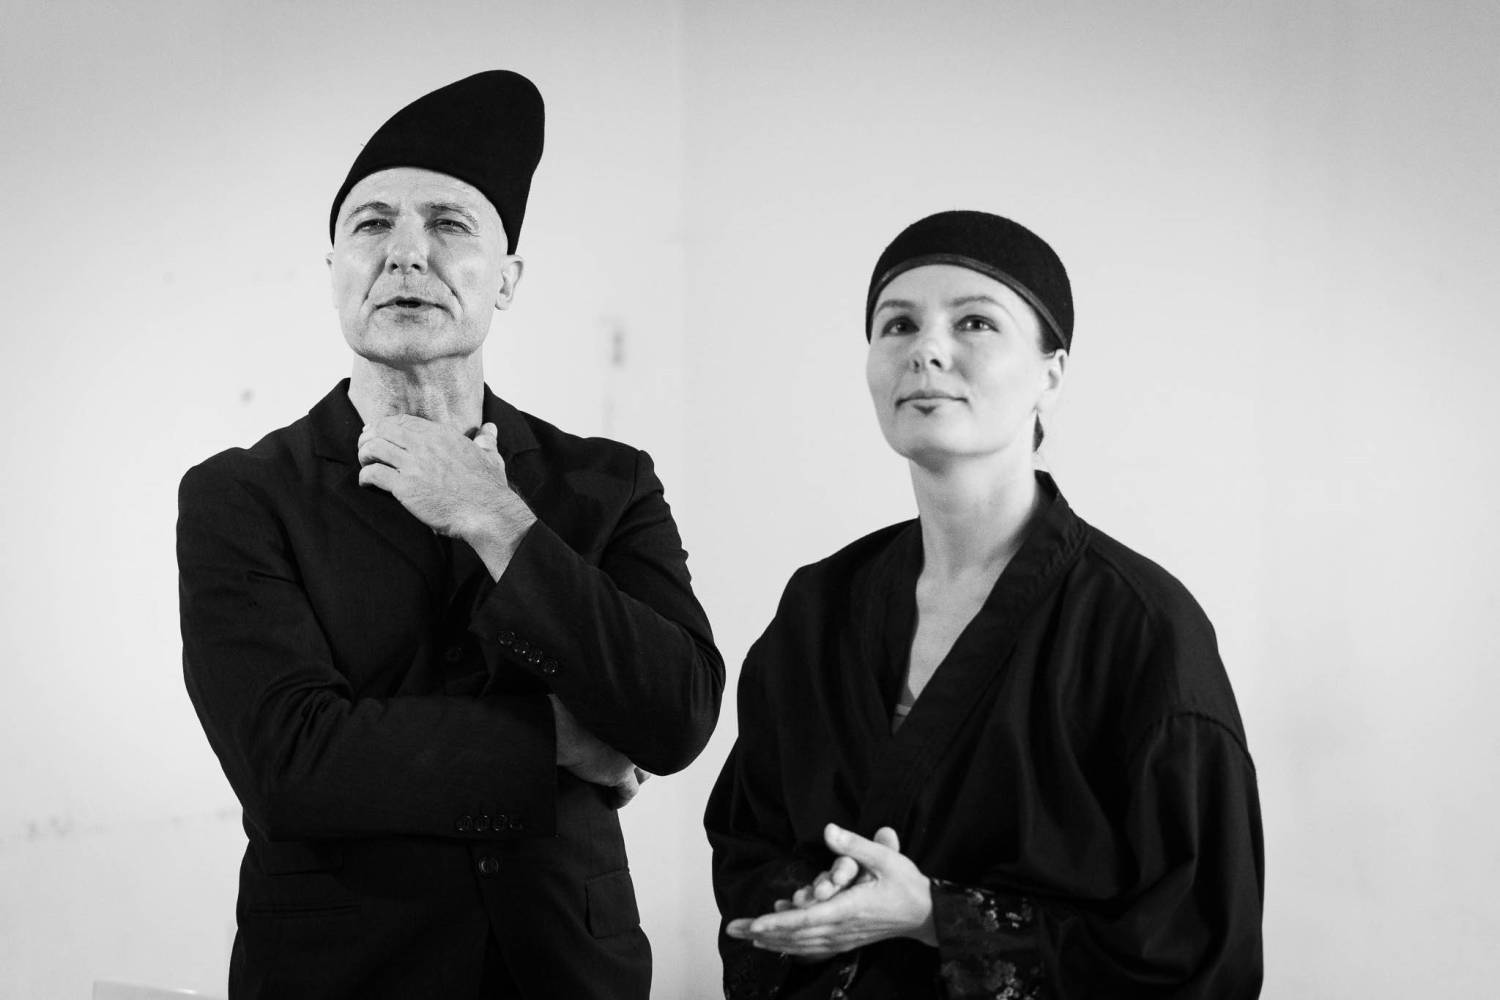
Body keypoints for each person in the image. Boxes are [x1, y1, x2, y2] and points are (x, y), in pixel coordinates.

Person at [177, 70, 724, 999]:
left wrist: (494, 517)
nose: (405, 253)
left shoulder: (605, 481)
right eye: (372, 225)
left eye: (449, 223)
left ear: (506, 281)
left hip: (569, 973)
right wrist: (556, 743)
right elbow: (291, 762)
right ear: (335, 273)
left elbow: (676, 716)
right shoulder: (243, 494)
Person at [705, 210, 1263, 998]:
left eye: (974, 322)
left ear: (1050, 375)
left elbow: (1202, 947)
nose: (926, 350)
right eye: (898, 324)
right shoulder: (820, 606)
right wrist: (810, 902)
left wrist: (936, 917)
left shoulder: (1140, 628)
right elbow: (748, 837)